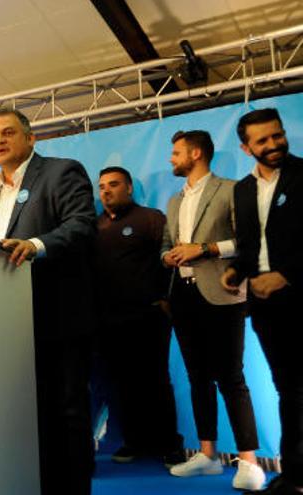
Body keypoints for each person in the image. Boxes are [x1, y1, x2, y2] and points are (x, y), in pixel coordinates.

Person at [0, 109, 97, 495]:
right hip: (9, 321)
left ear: (30, 138)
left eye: (8, 132)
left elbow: (81, 225)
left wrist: (36, 245)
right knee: (32, 411)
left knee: (68, 411)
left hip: (58, 313)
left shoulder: (61, 172)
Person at [161, 130, 264, 490]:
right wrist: (170, 255)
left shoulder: (232, 188)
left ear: (196, 153)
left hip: (223, 293)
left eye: (176, 153)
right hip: (183, 296)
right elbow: (165, 245)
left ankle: (249, 461)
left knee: (231, 379)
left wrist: (203, 248)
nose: (171, 159)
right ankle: (207, 455)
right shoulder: (174, 201)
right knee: (197, 378)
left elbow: (248, 240)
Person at [222, 108, 302, 495]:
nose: (273, 145)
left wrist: (287, 275)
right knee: (288, 389)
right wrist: (237, 270)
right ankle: (296, 475)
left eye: (277, 135)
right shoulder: (242, 189)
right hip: (267, 308)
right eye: (262, 140)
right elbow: (253, 245)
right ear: (245, 147)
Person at [93, 167, 185, 465]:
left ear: (129, 187)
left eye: (114, 184)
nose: (106, 191)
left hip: (150, 315)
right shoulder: (95, 227)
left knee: (157, 380)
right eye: (102, 186)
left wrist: (165, 300)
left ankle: (170, 444)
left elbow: (169, 259)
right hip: (109, 319)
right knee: (121, 383)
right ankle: (135, 442)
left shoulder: (151, 218)